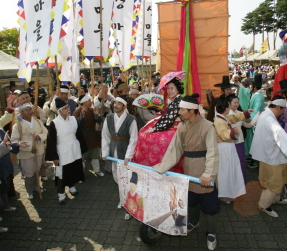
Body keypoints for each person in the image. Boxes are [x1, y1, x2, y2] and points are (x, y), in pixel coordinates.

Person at [153, 94, 219, 251]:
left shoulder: (208, 126)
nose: (179, 112)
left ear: (192, 110)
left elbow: (213, 153)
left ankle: (212, 233)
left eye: (182, 109)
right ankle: (194, 222)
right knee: (192, 200)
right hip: (188, 170)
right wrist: (161, 168)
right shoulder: (182, 126)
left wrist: (208, 175)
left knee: (210, 205)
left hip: (204, 170)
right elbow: (174, 149)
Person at [250, 96, 287, 218]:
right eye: (283, 109)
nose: (284, 111)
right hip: (272, 157)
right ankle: (264, 205)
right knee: (274, 183)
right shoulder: (269, 118)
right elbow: (278, 132)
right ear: (278, 107)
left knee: (281, 179)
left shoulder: (265, 114)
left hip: (273, 155)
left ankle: (275, 199)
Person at [101, 97, 138, 220]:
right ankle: (123, 200)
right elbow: (105, 136)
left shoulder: (131, 119)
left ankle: (129, 206)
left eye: (119, 103)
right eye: (115, 103)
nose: (115, 105)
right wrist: (105, 152)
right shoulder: (109, 118)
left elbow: (133, 139)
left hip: (124, 152)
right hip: (113, 152)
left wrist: (128, 156)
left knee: (127, 180)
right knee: (117, 177)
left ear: (125, 106)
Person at [46, 98, 86, 203]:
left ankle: (72, 187)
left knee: (73, 169)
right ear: (59, 111)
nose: (68, 109)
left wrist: (82, 148)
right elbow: (51, 141)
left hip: (74, 148)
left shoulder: (73, 119)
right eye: (65, 108)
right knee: (62, 173)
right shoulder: (54, 123)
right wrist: (54, 157)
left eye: (68, 107)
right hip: (62, 151)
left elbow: (79, 135)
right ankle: (61, 194)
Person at [213, 97, 250, 202]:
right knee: (225, 172)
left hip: (228, 148)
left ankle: (230, 191)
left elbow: (234, 118)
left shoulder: (222, 117)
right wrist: (233, 131)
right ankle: (225, 194)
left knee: (229, 170)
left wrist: (244, 114)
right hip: (223, 149)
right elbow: (223, 134)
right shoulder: (219, 120)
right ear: (226, 108)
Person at [11, 103, 48, 199]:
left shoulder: (37, 121)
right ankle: (29, 190)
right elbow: (14, 140)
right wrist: (30, 146)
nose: (29, 112)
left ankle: (36, 186)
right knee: (29, 172)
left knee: (37, 169)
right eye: (26, 110)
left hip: (38, 150)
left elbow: (45, 132)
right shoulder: (18, 125)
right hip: (26, 152)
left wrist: (39, 137)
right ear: (22, 112)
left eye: (30, 109)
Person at [73, 94, 104, 176]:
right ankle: (80, 173)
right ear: (84, 102)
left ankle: (97, 170)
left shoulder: (91, 110)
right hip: (82, 137)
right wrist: (82, 116)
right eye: (89, 101)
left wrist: (97, 114)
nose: (91, 102)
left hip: (93, 135)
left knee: (95, 153)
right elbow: (75, 124)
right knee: (82, 155)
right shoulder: (77, 112)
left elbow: (99, 120)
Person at [244, 74, 265, 168]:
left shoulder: (259, 97)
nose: (249, 86)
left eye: (251, 85)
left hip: (255, 122)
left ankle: (254, 160)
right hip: (253, 121)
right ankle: (250, 156)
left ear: (254, 86)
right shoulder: (255, 94)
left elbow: (256, 110)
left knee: (253, 141)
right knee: (250, 140)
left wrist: (250, 118)